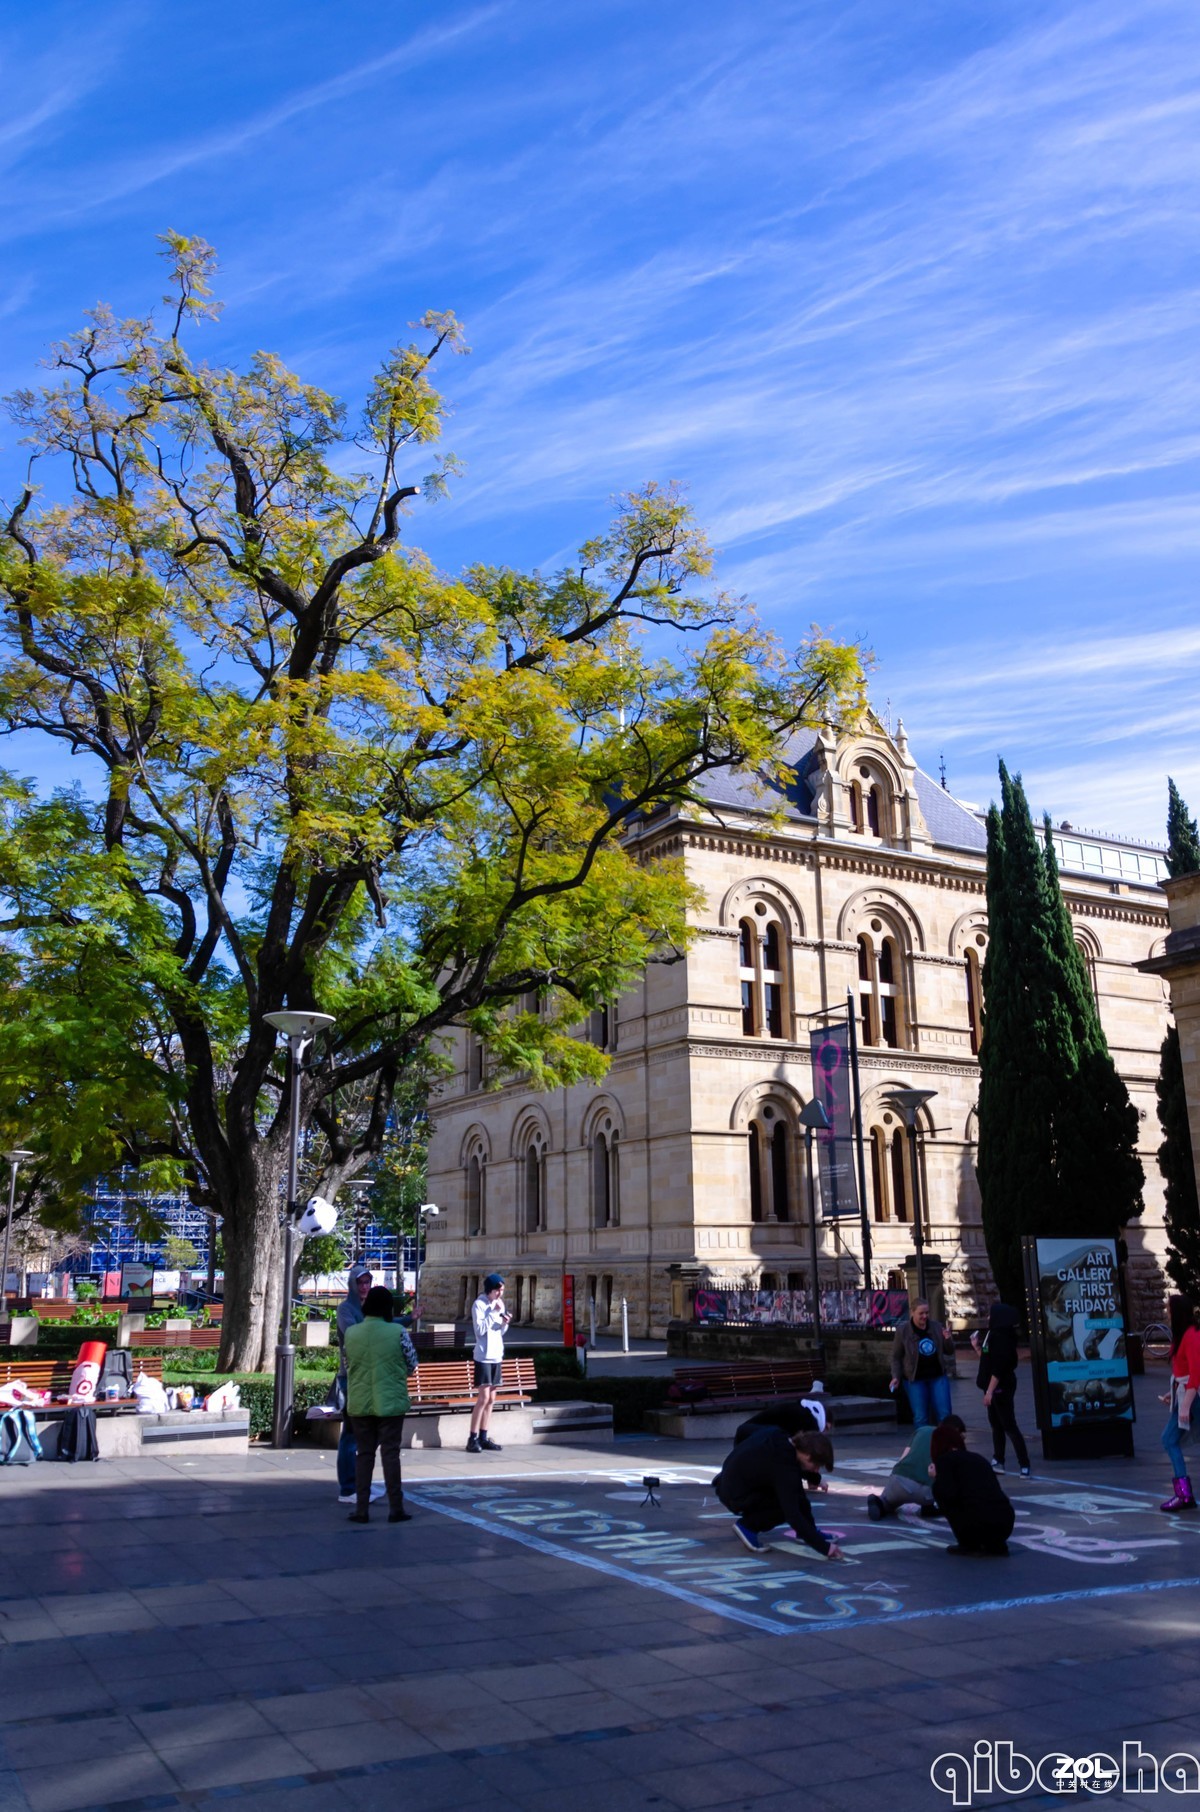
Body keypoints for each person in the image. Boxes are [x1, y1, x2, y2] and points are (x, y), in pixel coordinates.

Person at [343, 1285, 418, 1524]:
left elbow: (347, 1364)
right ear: (388, 1307)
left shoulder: (351, 1333)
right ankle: (396, 1508)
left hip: (360, 1402)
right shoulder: (398, 1332)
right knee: (390, 1454)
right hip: (391, 1402)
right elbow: (412, 1363)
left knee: (364, 1455)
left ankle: (361, 1510)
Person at [713, 1425, 845, 1559]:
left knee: (797, 1493)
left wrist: (815, 1479)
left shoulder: (780, 1437)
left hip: (728, 1483)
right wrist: (824, 1548)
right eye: (816, 1466)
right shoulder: (784, 1466)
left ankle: (807, 1532)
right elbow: (793, 1515)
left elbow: (794, 1473)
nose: (816, 1470)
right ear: (807, 1455)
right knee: (786, 1505)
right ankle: (748, 1526)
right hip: (736, 1495)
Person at [928, 1418, 1015, 1555]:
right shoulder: (977, 1458)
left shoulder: (945, 1461)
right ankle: (995, 1544)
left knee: (943, 1496)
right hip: (1005, 1521)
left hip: (978, 1525)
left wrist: (936, 1477)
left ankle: (968, 1543)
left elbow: (947, 1494)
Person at [335, 1264, 383, 1506]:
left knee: (367, 1433)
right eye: (360, 1283)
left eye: (367, 1282)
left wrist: (410, 1318)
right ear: (352, 1285)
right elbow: (354, 1334)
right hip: (352, 1377)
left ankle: (360, 1484)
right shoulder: (345, 1309)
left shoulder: (369, 1308)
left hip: (368, 1376)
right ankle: (347, 1489)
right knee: (351, 1434)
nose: (364, 1287)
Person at [866, 1413, 965, 1521]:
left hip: (900, 1481)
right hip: (926, 1494)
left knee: (887, 1503)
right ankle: (928, 1507)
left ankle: (879, 1504)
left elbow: (903, 1457)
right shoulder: (953, 1444)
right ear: (956, 1431)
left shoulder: (922, 1430)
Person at [972, 1302, 1031, 1476]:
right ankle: (998, 1459)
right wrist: (977, 1347)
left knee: (1008, 1424)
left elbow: (998, 1368)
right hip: (990, 1385)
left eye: (991, 1315)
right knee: (996, 1424)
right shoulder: (991, 1335)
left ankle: (1024, 1463)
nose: (988, 1317)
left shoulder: (1002, 1338)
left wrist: (990, 1392)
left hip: (1000, 1387)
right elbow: (987, 1359)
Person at [1158, 1295, 1200, 1513]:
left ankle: (1184, 1494)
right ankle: (1184, 1493)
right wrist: (1172, 1393)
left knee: (1169, 1439)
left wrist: (1185, 1405)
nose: (1166, 1312)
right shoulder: (1183, 1335)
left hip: (1192, 1397)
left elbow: (1196, 1373)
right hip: (1186, 1394)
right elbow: (1183, 1372)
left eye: (1169, 1309)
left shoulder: (1191, 1336)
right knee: (1170, 1439)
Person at [890, 1299, 955, 1426]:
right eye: (921, 1313)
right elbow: (896, 1357)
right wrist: (895, 1376)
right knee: (921, 1417)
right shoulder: (903, 1331)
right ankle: (923, 1438)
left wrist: (947, 1339)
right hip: (915, 1379)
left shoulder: (936, 1327)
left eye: (927, 1313)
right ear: (912, 1312)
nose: (925, 1316)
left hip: (937, 1376)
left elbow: (949, 1351)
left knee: (945, 1414)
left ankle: (945, 1438)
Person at [467, 1273, 512, 1454]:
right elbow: (480, 1330)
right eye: (497, 1290)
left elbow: (498, 1332)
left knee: (492, 1399)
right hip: (483, 1356)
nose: (500, 1294)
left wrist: (504, 1323)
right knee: (483, 1398)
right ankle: (472, 1438)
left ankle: (484, 1437)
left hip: (496, 1355)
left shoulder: (499, 1304)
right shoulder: (479, 1304)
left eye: (502, 1290)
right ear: (490, 1290)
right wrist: (493, 1312)